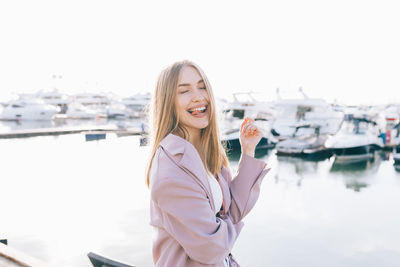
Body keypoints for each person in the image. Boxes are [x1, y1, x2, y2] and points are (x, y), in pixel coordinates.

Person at [145, 60, 270, 267]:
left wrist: (248, 150)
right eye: (184, 91)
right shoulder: (170, 170)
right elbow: (212, 249)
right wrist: (231, 227)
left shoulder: (203, 152)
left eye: (202, 87)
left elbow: (233, 210)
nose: (198, 96)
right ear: (167, 102)